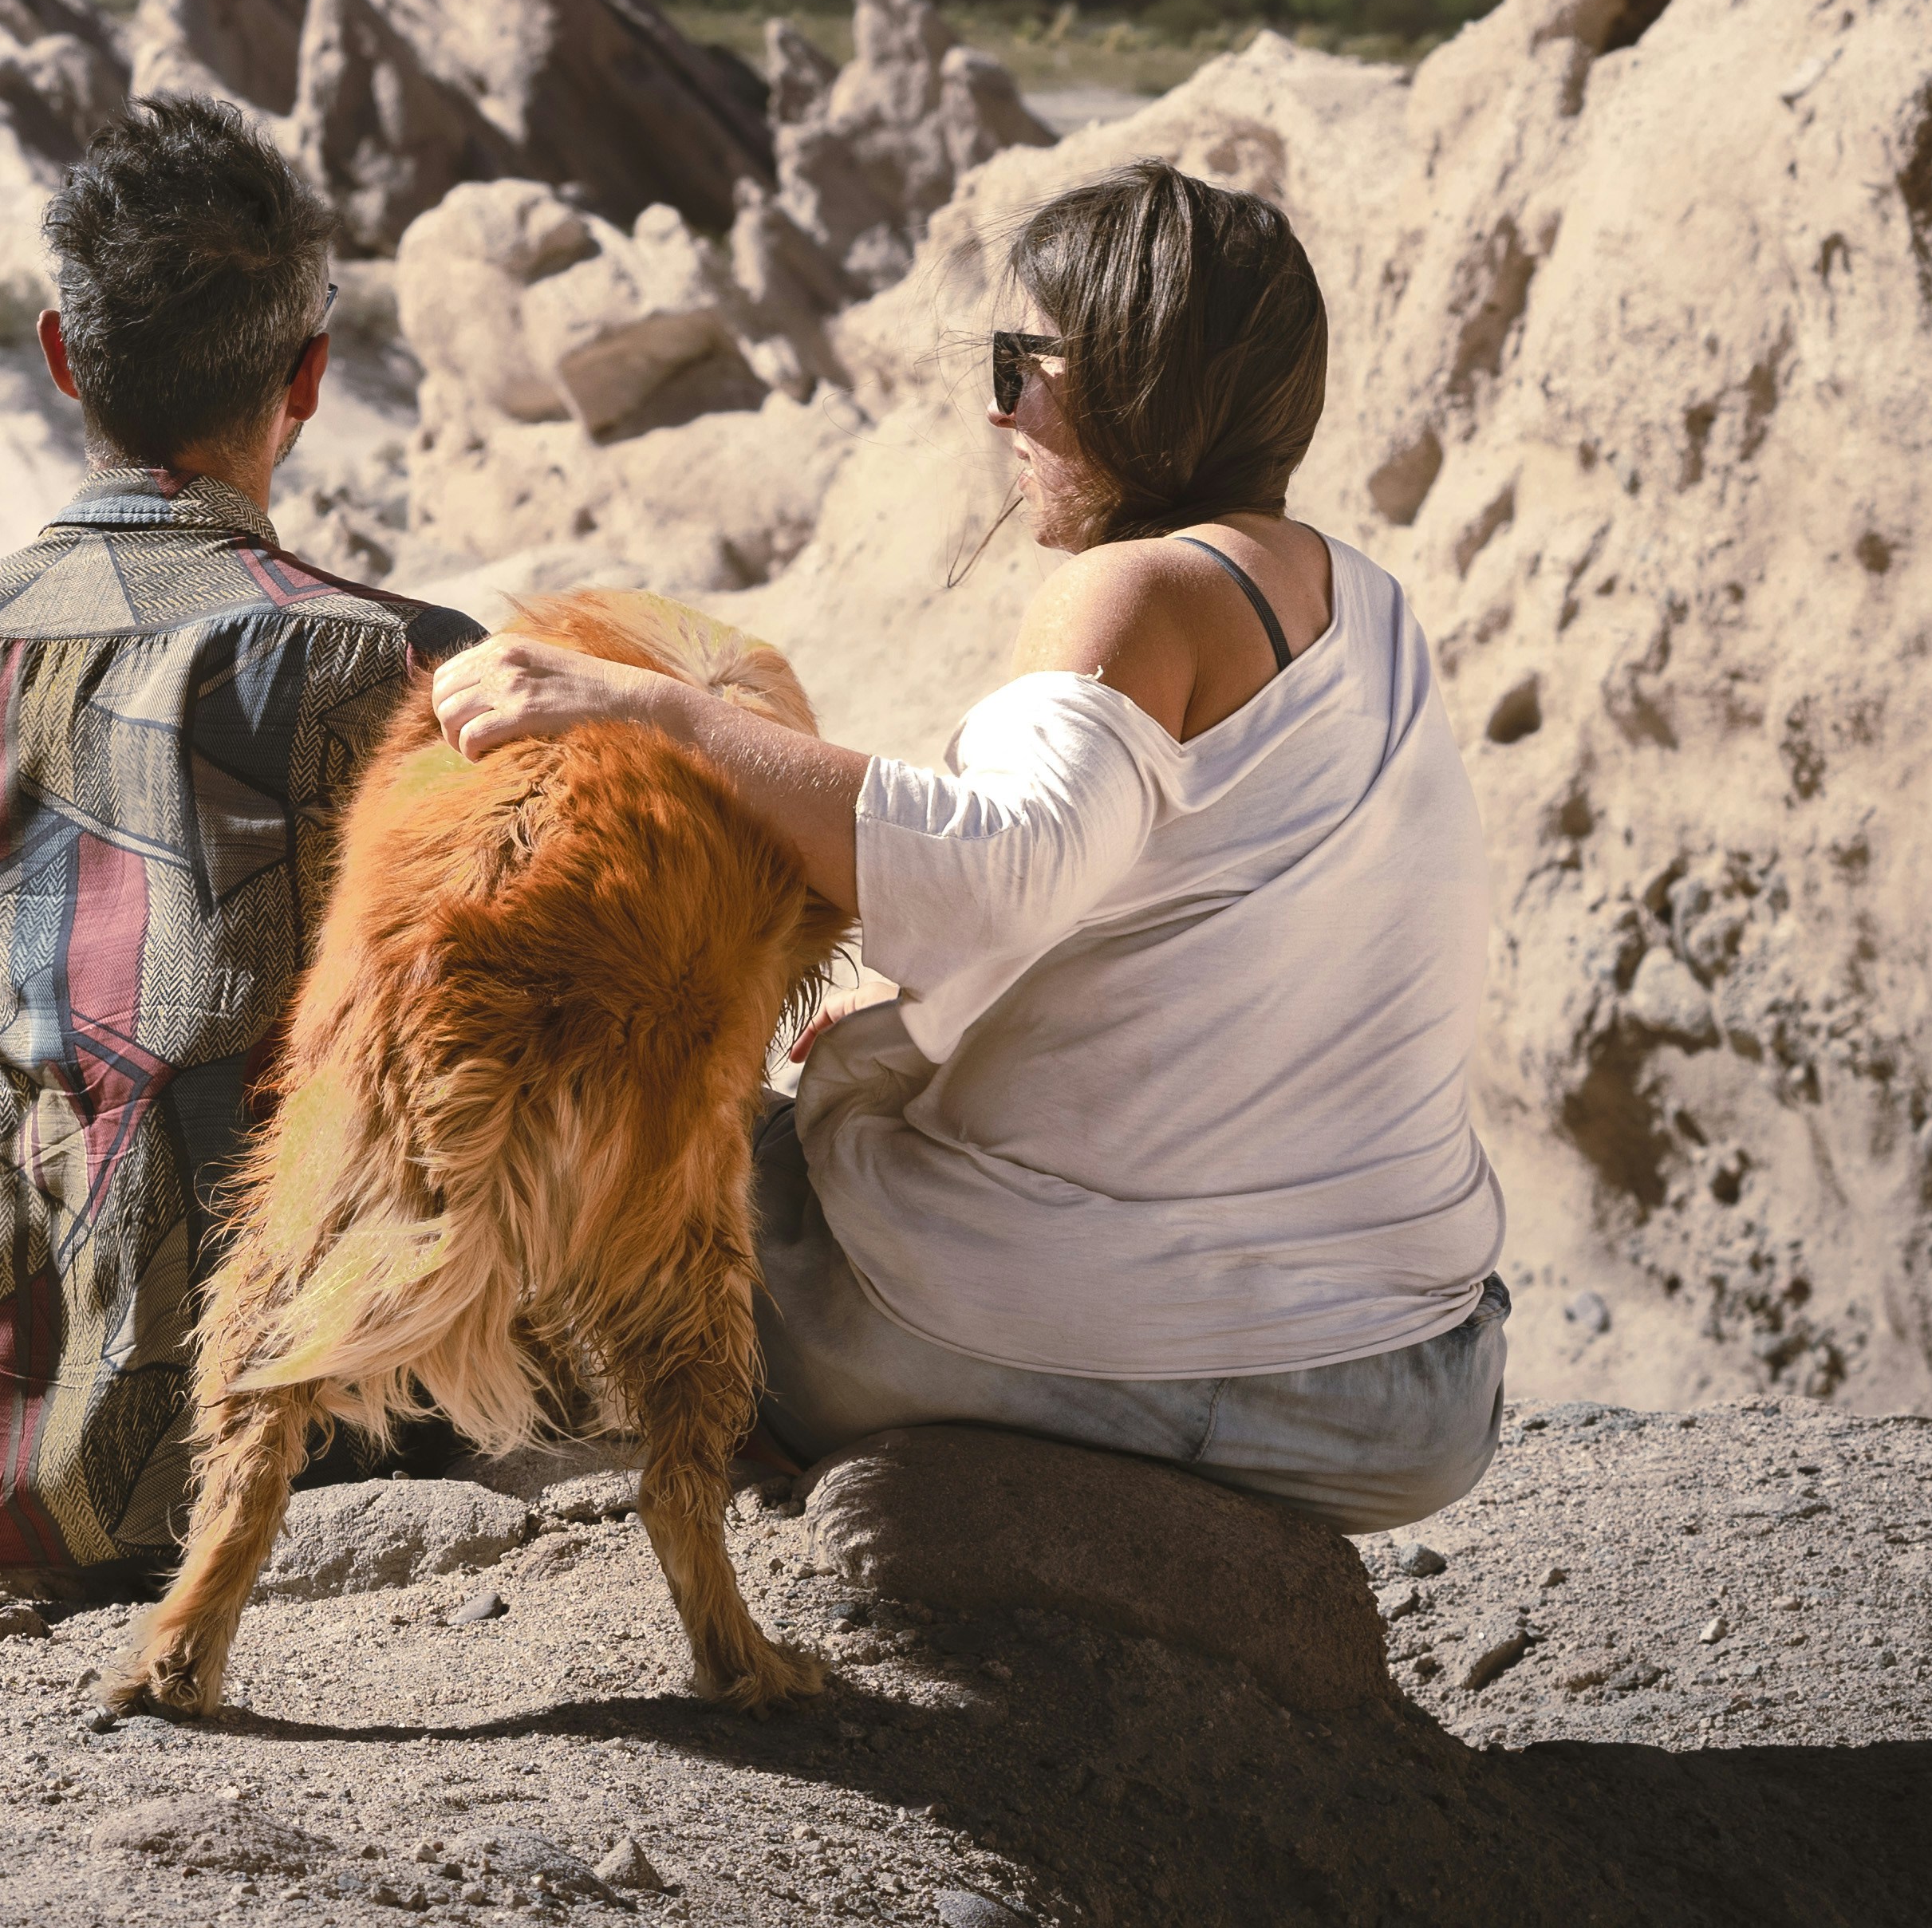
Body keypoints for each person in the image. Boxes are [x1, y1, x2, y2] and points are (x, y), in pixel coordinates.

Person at [428, 159, 1507, 1529]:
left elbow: (1000, 871)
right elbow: (1171, 938)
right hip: (1412, 1388)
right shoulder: (1368, 604)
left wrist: (656, 710)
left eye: (1027, 363)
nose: (1001, 407)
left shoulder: (1141, 588)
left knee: (624, 1145)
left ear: (1134, 377)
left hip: (1106, 1346)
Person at [0, 99, 479, 1577]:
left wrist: (74, 1326)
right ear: (306, 377)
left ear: (63, 357)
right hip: (327, 1479)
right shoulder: (414, 670)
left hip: (4, 1498)